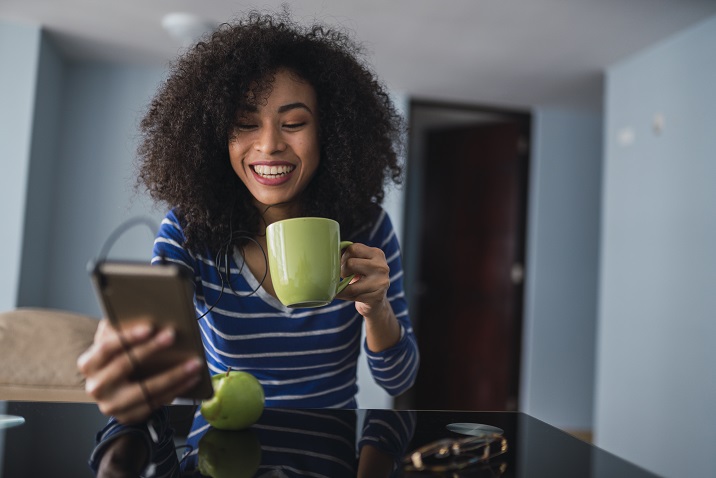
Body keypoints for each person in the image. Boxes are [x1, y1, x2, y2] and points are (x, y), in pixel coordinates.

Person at [77, 8, 419, 475]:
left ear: (331, 133)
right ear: (218, 134)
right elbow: (151, 358)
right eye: (245, 122)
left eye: (293, 122)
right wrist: (130, 359)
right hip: (217, 449)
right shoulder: (188, 231)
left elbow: (399, 378)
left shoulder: (367, 230)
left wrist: (377, 309)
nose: (269, 144)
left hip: (331, 445)